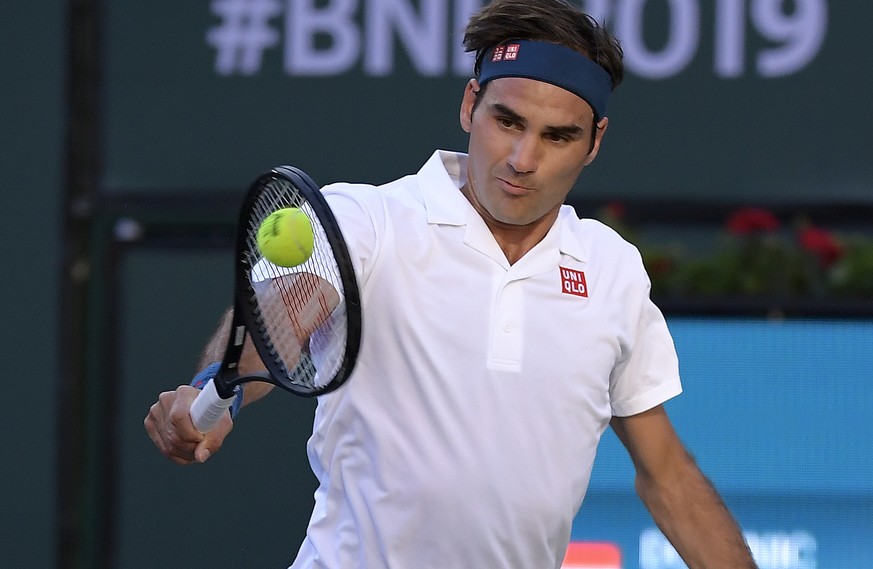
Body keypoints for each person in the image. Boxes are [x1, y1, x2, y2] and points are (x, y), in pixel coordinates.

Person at [145, 1, 758, 567]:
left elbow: (668, 476)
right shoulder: (367, 221)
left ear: (594, 141)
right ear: (471, 106)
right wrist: (212, 391)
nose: (522, 157)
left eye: (557, 136)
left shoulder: (611, 268)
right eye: (506, 121)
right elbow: (283, 316)